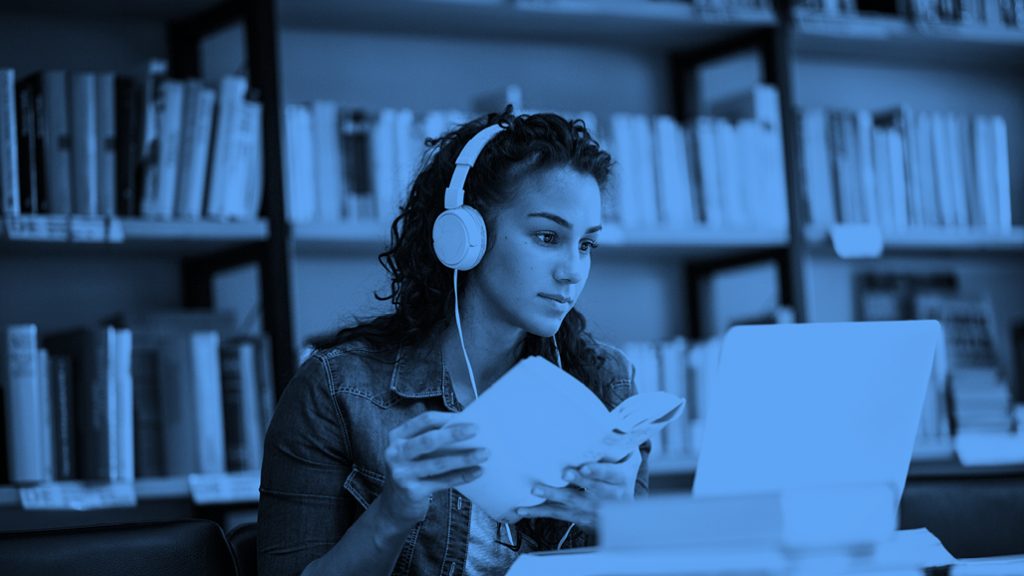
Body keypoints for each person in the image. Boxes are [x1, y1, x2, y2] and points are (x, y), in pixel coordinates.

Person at [257, 108, 650, 576]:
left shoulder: (608, 383)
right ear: (466, 236)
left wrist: (620, 522)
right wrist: (392, 512)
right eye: (548, 236)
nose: (572, 271)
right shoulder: (337, 391)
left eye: (586, 245)